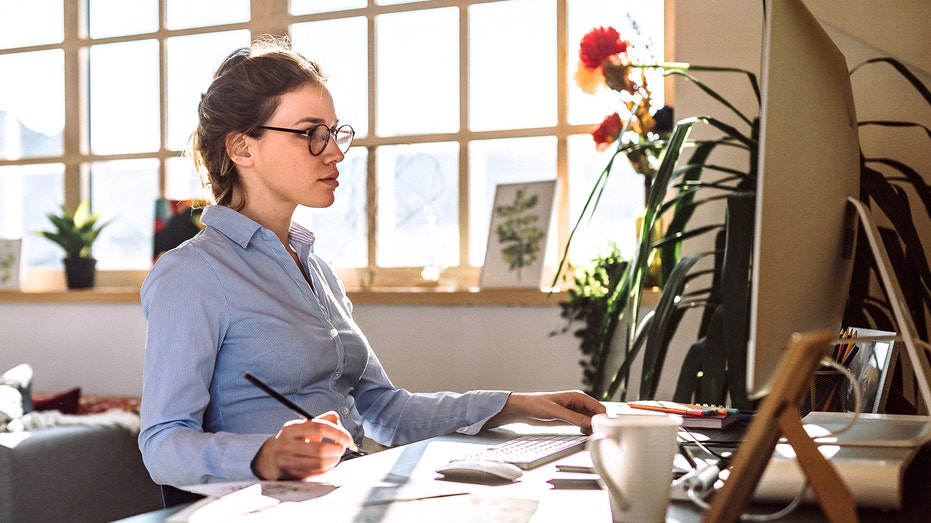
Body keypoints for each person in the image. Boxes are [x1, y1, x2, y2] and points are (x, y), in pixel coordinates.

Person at [138, 36, 605, 487]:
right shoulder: (192, 273)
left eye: (335, 133)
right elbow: (162, 443)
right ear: (243, 149)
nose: (336, 152)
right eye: (311, 135)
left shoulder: (315, 269)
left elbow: (386, 411)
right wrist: (265, 456)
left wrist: (518, 405)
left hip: (346, 494)